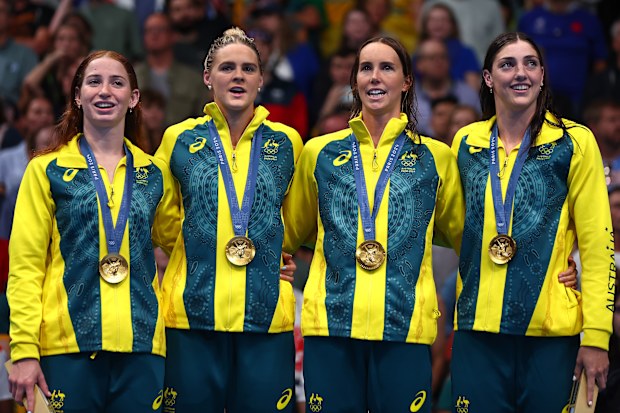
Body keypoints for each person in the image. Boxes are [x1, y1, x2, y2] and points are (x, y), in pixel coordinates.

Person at [283, 36, 464, 413]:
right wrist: (275, 261)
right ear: (354, 82)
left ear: (407, 81)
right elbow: (289, 231)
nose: (375, 77)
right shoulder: (319, 151)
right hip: (331, 326)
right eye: (366, 68)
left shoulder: (437, 157)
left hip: (405, 326)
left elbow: (465, 237)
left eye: (387, 67)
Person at [7, 50, 180, 413]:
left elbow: (184, 244)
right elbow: (25, 267)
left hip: (143, 345)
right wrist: (23, 349)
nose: (105, 91)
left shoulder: (154, 173)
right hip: (65, 347)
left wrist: (271, 257)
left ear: (133, 98)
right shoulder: (46, 170)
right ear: (77, 95)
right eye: (94, 82)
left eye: (117, 83)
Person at [450, 32, 613, 413]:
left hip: (550, 332)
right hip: (477, 327)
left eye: (530, 63)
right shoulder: (466, 142)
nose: (520, 73)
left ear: (543, 75)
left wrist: (597, 336)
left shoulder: (575, 141)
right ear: (488, 78)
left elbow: (597, 241)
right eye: (507, 64)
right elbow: (447, 225)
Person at [155, 27, 302, 412]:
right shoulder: (178, 139)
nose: (238, 76)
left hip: (266, 315)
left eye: (248, 68)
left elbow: (297, 217)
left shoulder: (288, 142)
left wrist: (276, 253)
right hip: (191, 314)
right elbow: (160, 214)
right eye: (227, 68)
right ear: (208, 77)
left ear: (261, 78)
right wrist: (202, 248)